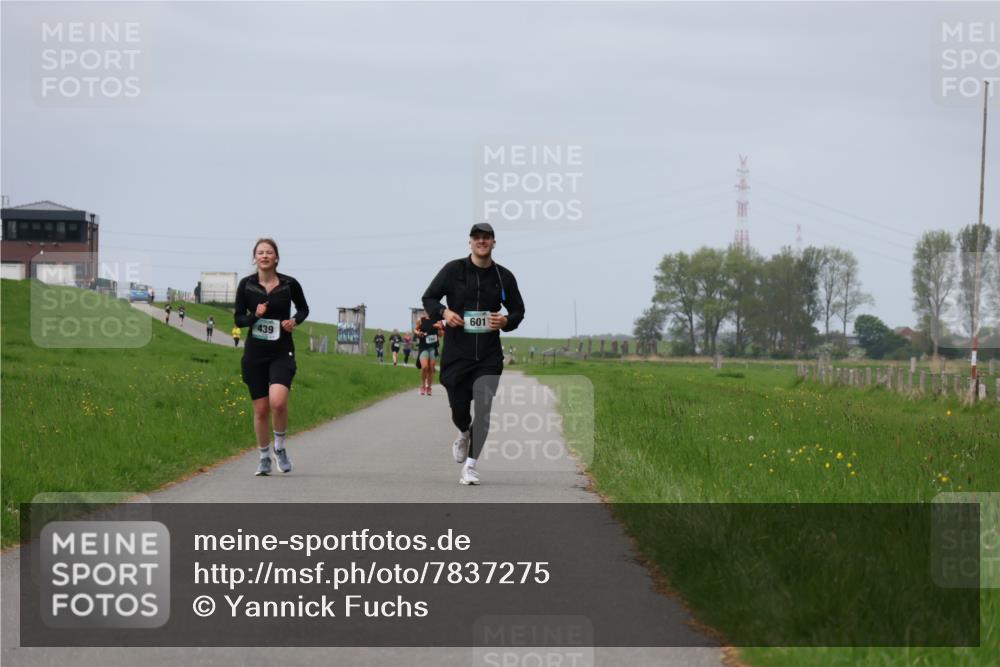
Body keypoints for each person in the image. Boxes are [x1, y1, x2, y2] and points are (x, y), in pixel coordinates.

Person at [422, 222, 525, 485]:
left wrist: (505, 321)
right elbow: (429, 298)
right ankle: (464, 431)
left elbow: (518, 311)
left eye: (486, 238)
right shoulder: (453, 270)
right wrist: (445, 313)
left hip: (489, 356)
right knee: (459, 409)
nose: (482, 242)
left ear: (493, 242)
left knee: (484, 408)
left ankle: (470, 466)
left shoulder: (504, 277)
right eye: (477, 238)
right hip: (457, 352)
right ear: (470, 242)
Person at [234, 238, 309, 476]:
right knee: (261, 410)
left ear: (276, 258)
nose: (264, 256)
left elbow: (304, 308)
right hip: (255, 354)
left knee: (278, 402)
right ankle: (264, 457)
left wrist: (294, 321)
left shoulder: (289, 284)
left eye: (269, 252)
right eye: (260, 252)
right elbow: (238, 319)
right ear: (254, 258)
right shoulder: (246, 285)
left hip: (281, 350)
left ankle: (280, 448)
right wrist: (254, 316)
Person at [414, 312, 444, 396]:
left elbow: (441, 335)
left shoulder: (437, 320)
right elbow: (415, 330)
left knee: (431, 368)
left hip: (433, 347)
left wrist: (439, 328)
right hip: (423, 347)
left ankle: (429, 388)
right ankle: (423, 385)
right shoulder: (421, 320)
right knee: (424, 367)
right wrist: (419, 333)